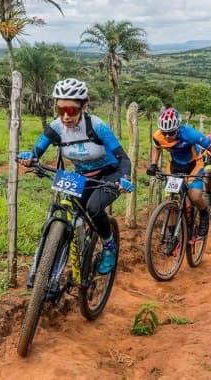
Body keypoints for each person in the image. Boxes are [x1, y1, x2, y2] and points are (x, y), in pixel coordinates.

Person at [18, 78, 134, 275]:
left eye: (71, 110)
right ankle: (61, 250)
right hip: (81, 175)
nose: (65, 116)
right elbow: (36, 151)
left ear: (84, 105)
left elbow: (123, 158)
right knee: (69, 209)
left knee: (94, 208)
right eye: (60, 110)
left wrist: (124, 177)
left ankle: (108, 247)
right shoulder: (55, 128)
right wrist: (30, 157)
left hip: (108, 174)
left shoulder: (97, 126)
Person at [146, 107, 211, 236]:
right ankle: (171, 234)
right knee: (172, 196)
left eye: (171, 133)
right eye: (165, 133)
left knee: (195, 195)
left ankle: (204, 214)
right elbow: (157, 148)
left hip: (194, 164)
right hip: (174, 165)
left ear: (178, 128)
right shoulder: (158, 136)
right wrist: (153, 164)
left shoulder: (190, 134)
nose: (168, 136)